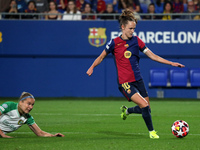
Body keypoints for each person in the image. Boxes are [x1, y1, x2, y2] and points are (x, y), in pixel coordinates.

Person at [86, 9, 185, 139]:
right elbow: (101, 57)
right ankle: (152, 132)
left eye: (134, 29)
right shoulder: (114, 43)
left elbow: (152, 56)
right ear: (123, 27)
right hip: (125, 82)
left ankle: (126, 111)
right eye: (130, 28)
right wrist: (92, 67)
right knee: (143, 105)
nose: (133, 31)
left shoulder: (136, 41)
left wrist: (170, 63)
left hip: (138, 79)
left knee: (147, 108)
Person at [0, 92, 65, 138]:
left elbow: (40, 133)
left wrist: (53, 136)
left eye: (32, 105)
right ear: (20, 102)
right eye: (28, 104)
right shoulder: (9, 106)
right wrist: (2, 134)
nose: (31, 107)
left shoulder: (27, 117)